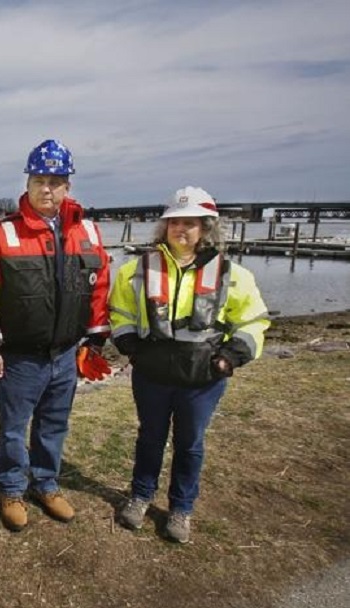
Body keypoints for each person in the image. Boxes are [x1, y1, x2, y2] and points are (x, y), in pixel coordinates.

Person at [109, 186, 270, 544]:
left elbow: (254, 321)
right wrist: (127, 341)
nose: (181, 229)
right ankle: (140, 496)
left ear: (206, 228)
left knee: (190, 443)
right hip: (152, 375)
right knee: (149, 438)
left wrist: (230, 357)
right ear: (164, 227)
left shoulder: (232, 274)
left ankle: (181, 508)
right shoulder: (136, 270)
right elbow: (119, 311)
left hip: (203, 379)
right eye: (174, 222)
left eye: (190, 223)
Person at [0, 139, 112, 532]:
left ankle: (46, 483)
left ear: (67, 186)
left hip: (64, 355)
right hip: (20, 357)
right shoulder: (2, 234)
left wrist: (94, 337)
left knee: (54, 424)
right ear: (28, 181)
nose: (47, 188)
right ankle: (11, 489)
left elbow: (99, 283)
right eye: (40, 179)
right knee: (12, 428)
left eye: (56, 181)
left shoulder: (88, 231)